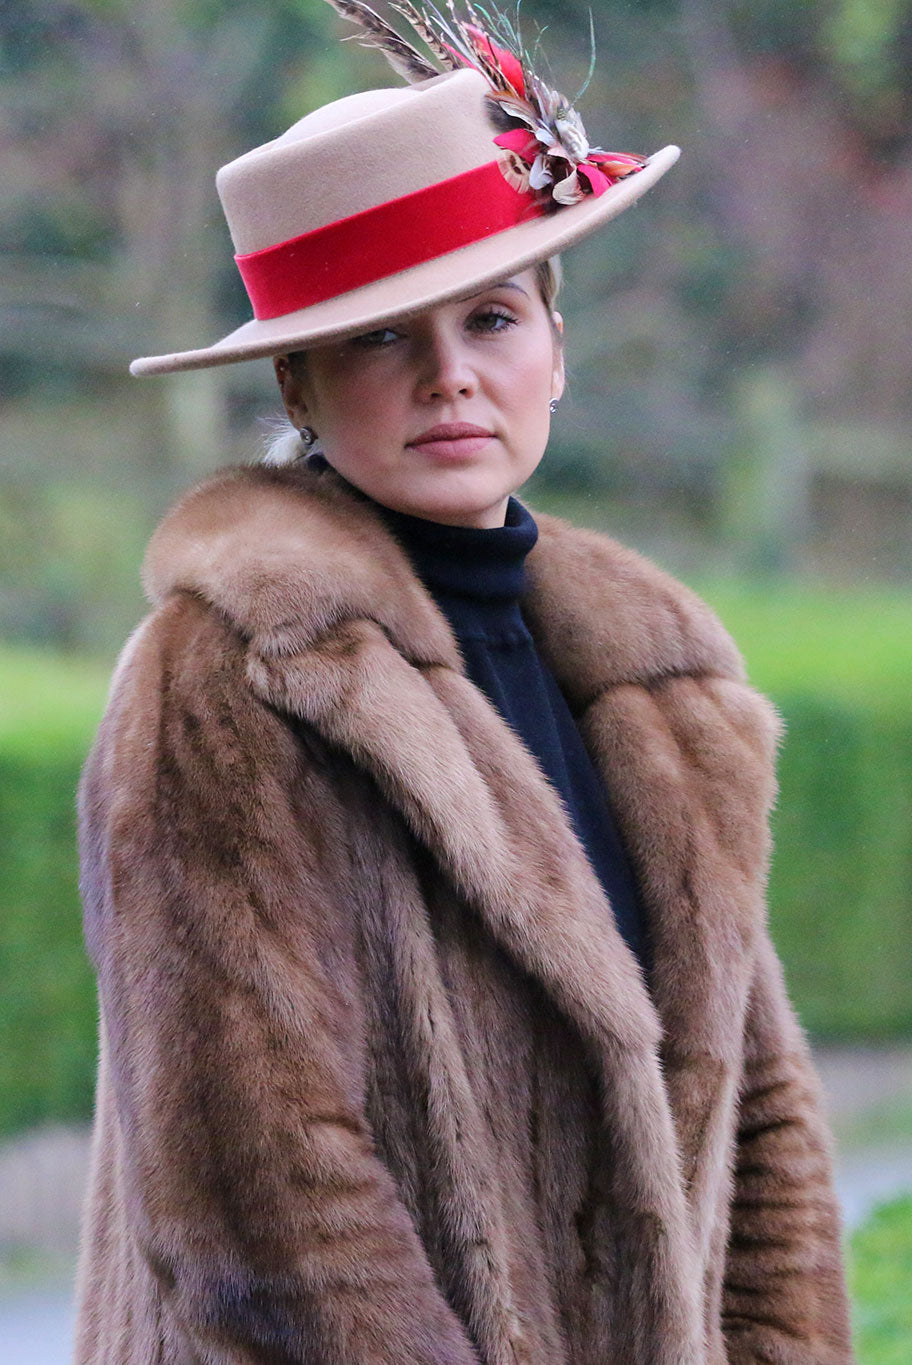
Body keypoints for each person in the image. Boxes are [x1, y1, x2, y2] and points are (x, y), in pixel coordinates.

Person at [73, 10, 855, 1363]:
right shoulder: (227, 680)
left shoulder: (655, 677)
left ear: (555, 343)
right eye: (382, 338)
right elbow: (264, 1197)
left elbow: (763, 1114)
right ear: (300, 385)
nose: (451, 378)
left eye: (491, 317)